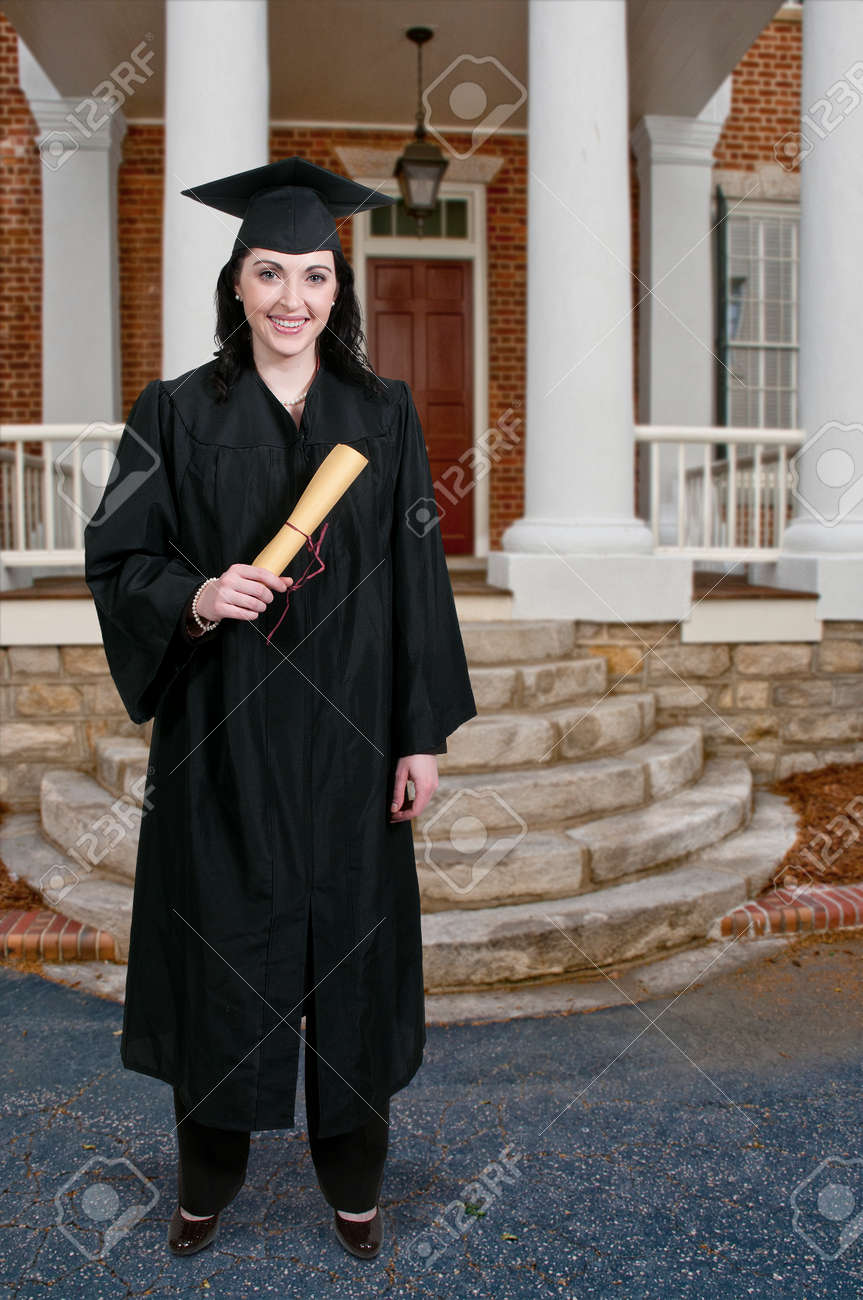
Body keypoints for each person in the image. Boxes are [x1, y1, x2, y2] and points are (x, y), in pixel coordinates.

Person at [83, 156, 477, 1261]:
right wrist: (197, 593)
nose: (292, 298)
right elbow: (115, 554)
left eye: (313, 274)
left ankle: (354, 1180)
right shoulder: (167, 412)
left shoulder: (383, 415)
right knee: (220, 955)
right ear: (238, 284)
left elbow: (418, 585)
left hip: (350, 743)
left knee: (349, 957)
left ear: (335, 289)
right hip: (223, 740)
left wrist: (417, 733)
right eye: (270, 273)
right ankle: (205, 1179)